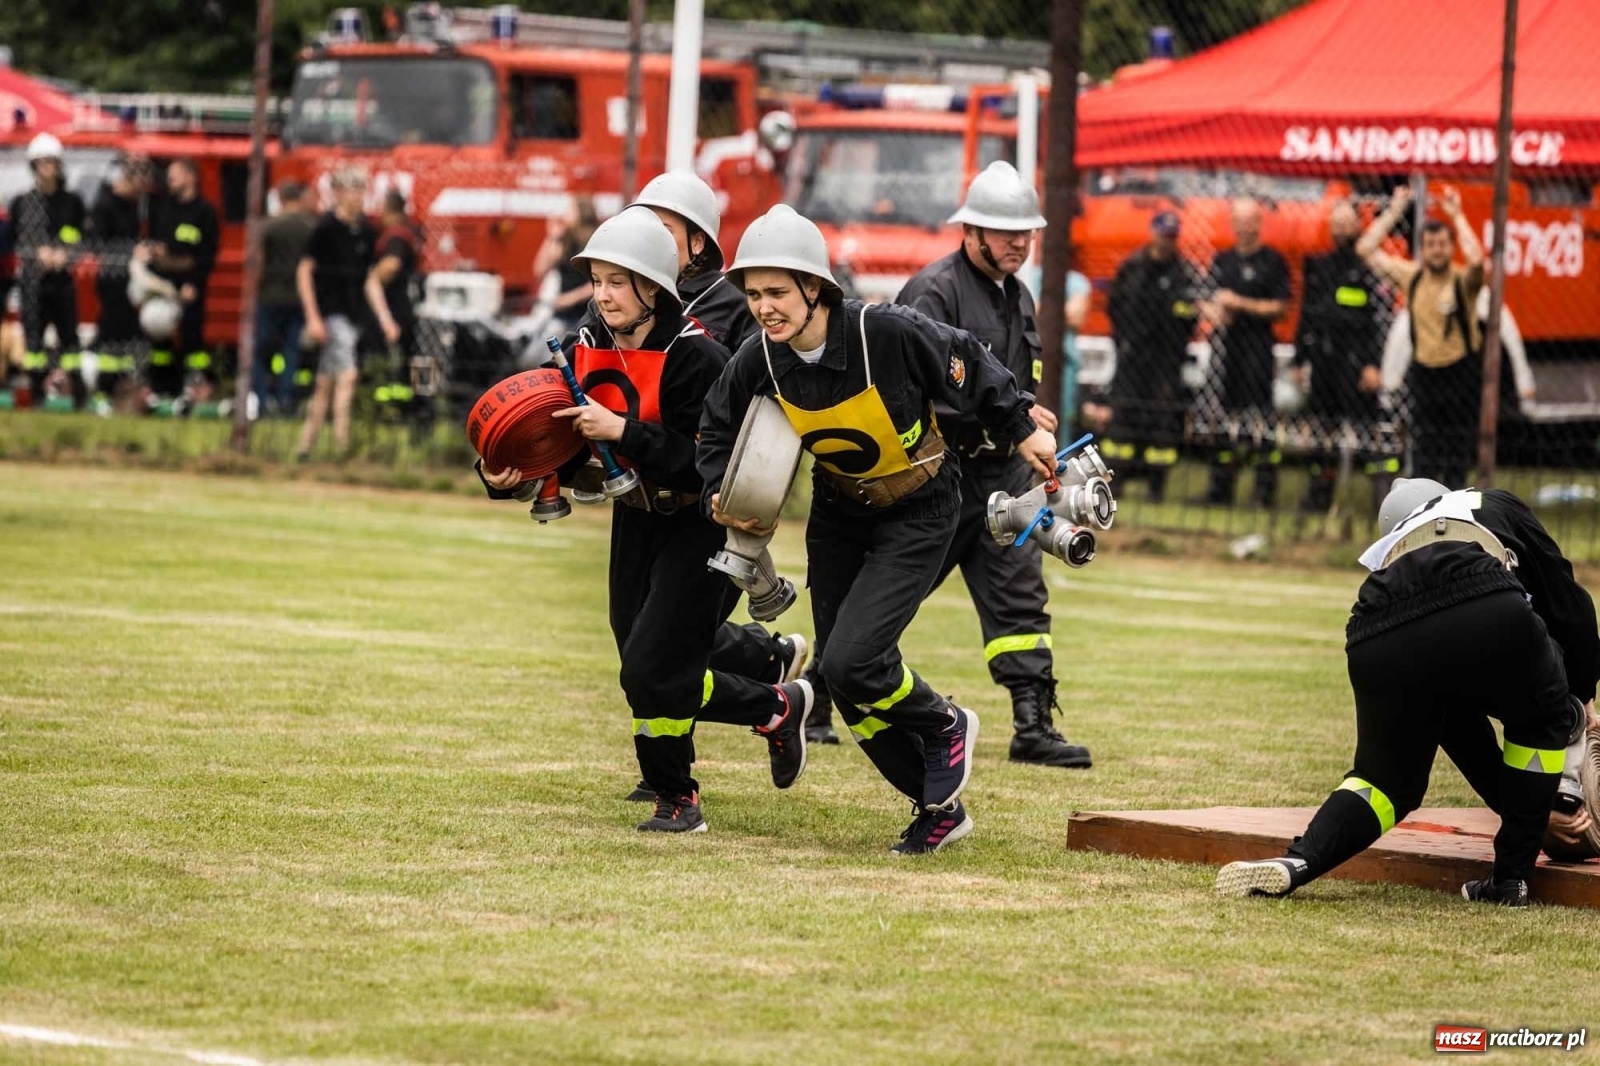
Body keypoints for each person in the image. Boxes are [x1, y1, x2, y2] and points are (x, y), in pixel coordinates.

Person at [698, 204, 1058, 855]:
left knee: (855, 659)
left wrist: (1022, 428)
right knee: (842, 679)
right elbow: (719, 425)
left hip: (920, 511)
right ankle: (937, 808)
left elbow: (970, 362)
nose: (764, 308)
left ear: (815, 287)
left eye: (777, 292)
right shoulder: (761, 357)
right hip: (838, 515)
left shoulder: (882, 329)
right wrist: (719, 488)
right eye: (753, 295)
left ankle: (946, 722)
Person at [479, 206, 813, 834]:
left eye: (616, 281)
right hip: (634, 519)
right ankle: (774, 705)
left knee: (652, 667)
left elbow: (709, 466)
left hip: (701, 525)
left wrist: (625, 430)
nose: (602, 295)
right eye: (597, 281)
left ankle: (677, 796)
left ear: (652, 288)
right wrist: (506, 472)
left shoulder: (699, 359)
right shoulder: (585, 346)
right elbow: (558, 439)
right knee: (642, 661)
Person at [1218, 477, 1600, 907]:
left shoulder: (1390, 559)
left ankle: (1299, 861)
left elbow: (1462, 734)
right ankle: (1511, 880)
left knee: (1382, 781)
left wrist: (1520, 810)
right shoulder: (1492, 503)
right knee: (1543, 714)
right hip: (1485, 600)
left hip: (1374, 626)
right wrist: (1582, 700)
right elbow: (1571, 606)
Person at [886, 159, 1089, 769]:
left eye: (1026, 233)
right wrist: (1009, 419)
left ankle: (1032, 727)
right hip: (941, 477)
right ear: (970, 230)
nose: (1019, 243)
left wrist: (1029, 411)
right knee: (892, 590)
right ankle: (821, 696)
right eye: (1006, 233)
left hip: (1005, 475)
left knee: (1021, 597)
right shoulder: (934, 291)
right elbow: (918, 393)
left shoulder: (1017, 294)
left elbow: (1009, 380)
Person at [1357, 185, 1485, 486]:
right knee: (1425, 452)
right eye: (1430, 244)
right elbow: (1365, 250)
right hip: (1425, 372)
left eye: (1442, 244)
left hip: (1460, 370)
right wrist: (1395, 211)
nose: (1437, 250)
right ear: (1423, 248)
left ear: (1450, 247)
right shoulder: (1412, 276)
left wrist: (1457, 215)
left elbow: (1478, 261)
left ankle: (1455, 513)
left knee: (1456, 454)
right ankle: (1425, 513)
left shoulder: (1461, 279)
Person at [1293, 201, 1386, 513]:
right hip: (1324, 359)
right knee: (1323, 428)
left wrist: (1373, 363)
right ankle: (1320, 492)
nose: (1341, 229)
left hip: (1357, 360)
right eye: (1337, 223)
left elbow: (1377, 321)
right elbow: (1306, 316)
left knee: (1366, 428)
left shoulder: (1368, 269)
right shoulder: (1319, 266)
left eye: (1347, 223)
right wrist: (1299, 358)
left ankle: (1381, 498)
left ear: (1358, 227)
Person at [1103, 212, 1200, 503]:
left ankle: (1156, 486)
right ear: (1152, 232)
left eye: (1171, 236)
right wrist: (1125, 341)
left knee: (1162, 424)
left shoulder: (1184, 272)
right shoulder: (1132, 267)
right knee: (1124, 418)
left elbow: (1190, 315)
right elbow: (1115, 307)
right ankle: (1117, 481)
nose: (1166, 241)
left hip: (1166, 360)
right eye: (1163, 234)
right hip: (1133, 357)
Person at [1200, 198, 1290, 507]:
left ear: (1258, 223)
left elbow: (1280, 307)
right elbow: (1207, 298)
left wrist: (1239, 303)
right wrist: (1214, 311)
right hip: (1227, 349)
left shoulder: (1272, 261)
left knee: (1259, 420)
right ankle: (1220, 488)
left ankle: (1264, 490)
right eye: (1238, 219)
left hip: (1258, 349)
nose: (1243, 225)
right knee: (1223, 419)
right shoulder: (1222, 260)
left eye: (1249, 219)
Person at [296, 168, 376, 460]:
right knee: (348, 374)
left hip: (354, 314)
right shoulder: (325, 228)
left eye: (360, 190)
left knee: (324, 383)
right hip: (331, 314)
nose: (357, 197)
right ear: (339, 193)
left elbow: (369, 277)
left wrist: (382, 316)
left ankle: (305, 446)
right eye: (351, 190)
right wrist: (313, 316)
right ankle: (342, 443)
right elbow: (304, 271)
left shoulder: (365, 230)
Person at [630, 169, 758, 351]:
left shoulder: (736, 304)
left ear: (697, 242)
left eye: (665, 230)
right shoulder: (618, 289)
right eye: (647, 227)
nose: (653, 238)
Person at [9, 132, 86, 406]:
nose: (46, 168)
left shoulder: (72, 203)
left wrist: (65, 253)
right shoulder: (22, 204)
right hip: (33, 282)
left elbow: (78, 237)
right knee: (34, 341)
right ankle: (36, 396)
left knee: (70, 339)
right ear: (33, 166)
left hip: (62, 281)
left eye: (51, 162)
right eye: (41, 162)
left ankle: (79, 396)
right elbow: (17, 241)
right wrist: (37, 253)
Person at [147, 158, 219, 400]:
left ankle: (197, 385)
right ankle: (162, 387)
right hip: (163, 286)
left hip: (191, 287)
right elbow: (156, 246)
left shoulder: (205, 212)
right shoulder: (163, 209)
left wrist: (194, 283)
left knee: (192, 337)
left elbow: (207, 255)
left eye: (175, 176)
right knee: (159, 334)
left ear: (191, 177)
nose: (170, 181)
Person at [251, 180, 317, 417]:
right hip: (298, 299)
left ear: (280, 197)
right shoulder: (311, 227)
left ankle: (260, 401)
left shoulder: (268, 227)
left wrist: (252, 291)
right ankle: (285, 401)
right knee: (291, 352)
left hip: (270, 296)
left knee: (261, 352)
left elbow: (257, 263)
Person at [364, 189, 425, 423]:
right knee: (408, 362)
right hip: (406, 309)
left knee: (391, 364)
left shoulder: (396, 237)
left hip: (393, 311)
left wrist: (372, 278)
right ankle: (412, 408)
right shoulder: (411, 232)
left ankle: (391, 411)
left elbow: (390, 265)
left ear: (388, 210)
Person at [531, 195, 597, 341]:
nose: (565, 214)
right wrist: (552, 237)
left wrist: (572, 298)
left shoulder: (594, 241)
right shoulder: (565, 241)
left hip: (584, 315)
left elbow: (597, 281)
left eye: (570, 210)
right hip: (562, 315)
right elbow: (540, 269)